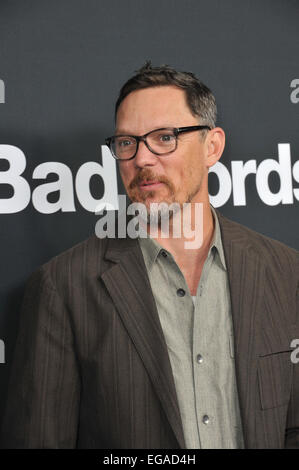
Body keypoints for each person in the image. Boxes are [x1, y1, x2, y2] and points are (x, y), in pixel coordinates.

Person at [0, 62, 298, 449]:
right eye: (127, 143)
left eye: (164, 137)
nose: (141, 159)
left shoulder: (285, 272)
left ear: (213, 147)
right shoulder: (64, 287)